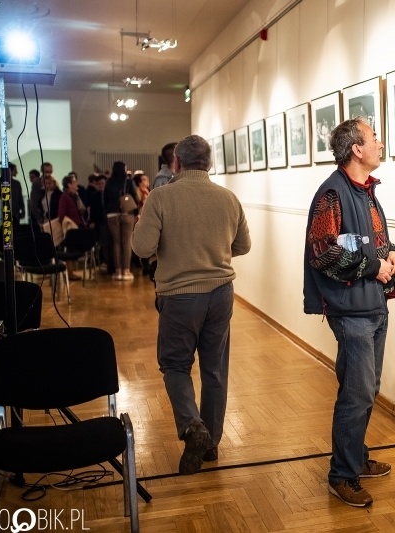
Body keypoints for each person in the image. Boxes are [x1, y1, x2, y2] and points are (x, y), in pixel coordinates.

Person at [132, 135, 251, 475]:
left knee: (175, 365)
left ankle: (192, 426)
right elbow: (243, 245)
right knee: (214, 369)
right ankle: (211, 443)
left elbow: (142, 247)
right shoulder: (228, 198)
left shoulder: (161, 197)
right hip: (221, 293)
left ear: (177, 163)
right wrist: (215, 252)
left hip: (179, 296)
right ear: (209, 163)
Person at [303, 117, 395, 507]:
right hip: (351, 310)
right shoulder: (332, 193)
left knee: (367, 388)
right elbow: (322, 253)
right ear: (357, 149)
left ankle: (356, 458)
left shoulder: (365, 190)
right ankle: (342, 475)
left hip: (373, 304)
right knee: (357, 392)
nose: (380, 143)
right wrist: (371, 267)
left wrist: (391, 252)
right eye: (374, 137)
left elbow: (371, 238)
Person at [104, 161, 138, 281]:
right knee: (126, 242)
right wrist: (136, 213)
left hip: (112, 214)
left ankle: (118, 270)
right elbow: (135, 197)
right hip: (127, 213)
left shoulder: (108, 182)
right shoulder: (128, 181)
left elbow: (105, 199)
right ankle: (126, 270)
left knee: (116, 242)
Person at [58, 174, 87, 281]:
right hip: (70, 228)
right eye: (74, 182)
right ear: (69, 185)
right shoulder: (65, 197)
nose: (77, 184)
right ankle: (70, 273)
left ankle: (72, 272)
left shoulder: (75, 196)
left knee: (74, 249)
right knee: (69, 250)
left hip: (77, 226)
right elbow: (61, 214)